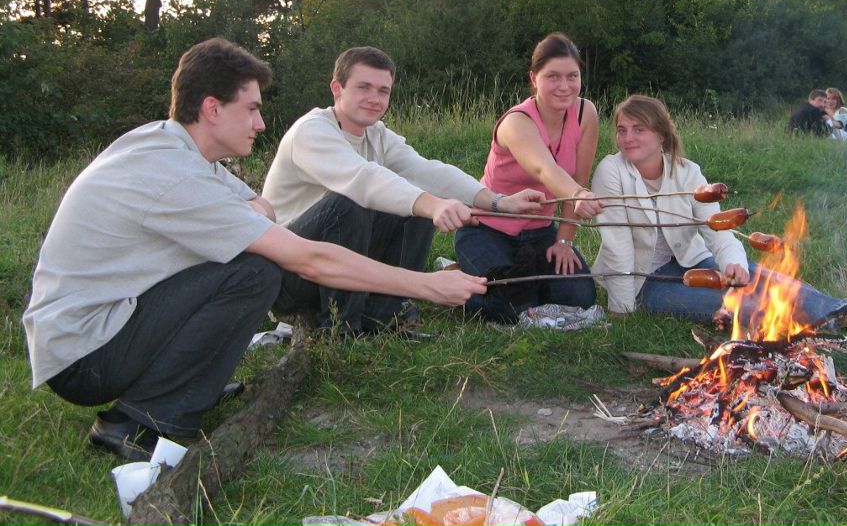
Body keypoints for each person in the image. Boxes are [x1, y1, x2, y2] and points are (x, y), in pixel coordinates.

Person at [22, 39, 486, 462]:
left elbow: (257, 203)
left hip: (104, 327)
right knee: (254, 272)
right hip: (84, 357)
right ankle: (138, 421)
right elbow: (310, 258)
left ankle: (189, 386)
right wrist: (426, 285)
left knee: (242, 259)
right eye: (251, 109)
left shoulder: (171, 147)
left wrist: (493, 202)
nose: (261, 124)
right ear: (212, 108)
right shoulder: (176, 175)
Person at [263, 46, 543, 337]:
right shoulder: (312, 132)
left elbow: (427, 171)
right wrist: (431, 204)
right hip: (286, 276)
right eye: (363, 87)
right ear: (337, 88)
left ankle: (380, 321)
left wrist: (498, 202)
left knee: (417, 201)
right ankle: (339, 330)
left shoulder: (377, 135)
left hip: (336, 264)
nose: (374, 98)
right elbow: (363, 179)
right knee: (350, 202)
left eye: (383, 91)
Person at [591, 95, 847, 341]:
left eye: (638, 129)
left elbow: (717, 228)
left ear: (661, 135)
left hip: (693, 260)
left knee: (765, 278)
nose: (627, 137)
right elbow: (617, 244)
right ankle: (808, 333)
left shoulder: (687, 172)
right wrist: (622, 308)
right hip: (645, 279)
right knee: (739, 304)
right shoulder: (611, 171)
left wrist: (733, 262)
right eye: (621, 129)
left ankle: (843, 313)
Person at [454, 33, 603, 324]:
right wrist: (579, 195)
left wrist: (564, 242)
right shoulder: (516, 122)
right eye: (553, 77)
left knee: (581, 298)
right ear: (534, 78)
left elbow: (578, 178)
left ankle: (516, 278)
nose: (564, 86)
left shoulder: (586, 113)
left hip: (539, 233)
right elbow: (544, 170)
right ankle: (455, 279)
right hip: (486, 228)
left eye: (572, 76)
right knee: (511, 308)